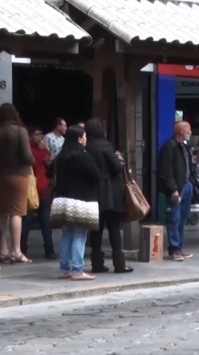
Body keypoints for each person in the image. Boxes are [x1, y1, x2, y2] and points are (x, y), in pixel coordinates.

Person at [50, 126, 101, 280]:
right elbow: (96, 176)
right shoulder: (83, 156)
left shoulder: (61, 157)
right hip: (80, 201)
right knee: (79, 235)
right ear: (79, 139)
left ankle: (64, 269)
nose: (86, 139)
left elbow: (49, 172)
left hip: (62, 200)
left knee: (67, 235)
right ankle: (77, 270)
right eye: (84, 136)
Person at [0, 103, 34, 264]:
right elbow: (27, 156)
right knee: (16, 212)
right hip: (19, 175)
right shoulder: (20, 131)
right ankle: (17, 251)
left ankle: (3, 251)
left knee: (1, 213)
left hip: (0, 176)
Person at [84, 118, 133, 274]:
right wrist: (120, 160)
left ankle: (96, 264)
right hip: (110, 193)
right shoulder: (106, 146)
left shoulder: (86, 147)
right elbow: (117, 168)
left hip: (92, 193)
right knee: (113, 229)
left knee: (95, 230)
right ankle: (119, 264)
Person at [158, 121, 196, 261]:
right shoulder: (170, 146)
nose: (191, 132)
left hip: (186, 185)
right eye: (189, 129)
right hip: (176, 188)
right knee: (173, 218)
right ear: (181, 131)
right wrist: (173, 189)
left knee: (182, 218)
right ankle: (174, 249)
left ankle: (179, 247)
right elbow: (166, 171)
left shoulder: (183, 147)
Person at [21, 128, 55, 259]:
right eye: (37, 134)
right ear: (30, 136)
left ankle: (49, 249)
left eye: (41, 134)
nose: (40, 137)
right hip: (31, 189)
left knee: (46, 221)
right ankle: (23, 249)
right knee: (27, 221)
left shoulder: (44, 149)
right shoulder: (29, 149)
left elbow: (49, 165)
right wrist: (41, 152)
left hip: (44, 189)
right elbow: (32, 164)